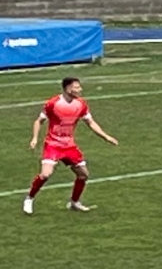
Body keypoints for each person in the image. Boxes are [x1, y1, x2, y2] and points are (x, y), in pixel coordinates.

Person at [25, 76, 117, 214]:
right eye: (77, 87)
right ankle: (29, 198)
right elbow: (38, 121)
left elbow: (90, 122)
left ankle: (74, 202)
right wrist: (34, 138)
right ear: (68, 89)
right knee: (45, 174)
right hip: (53, 145)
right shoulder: (53, 103)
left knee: (83, 175)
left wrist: (106, 136)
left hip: (69, 146)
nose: (80, 89)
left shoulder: (81, 104)